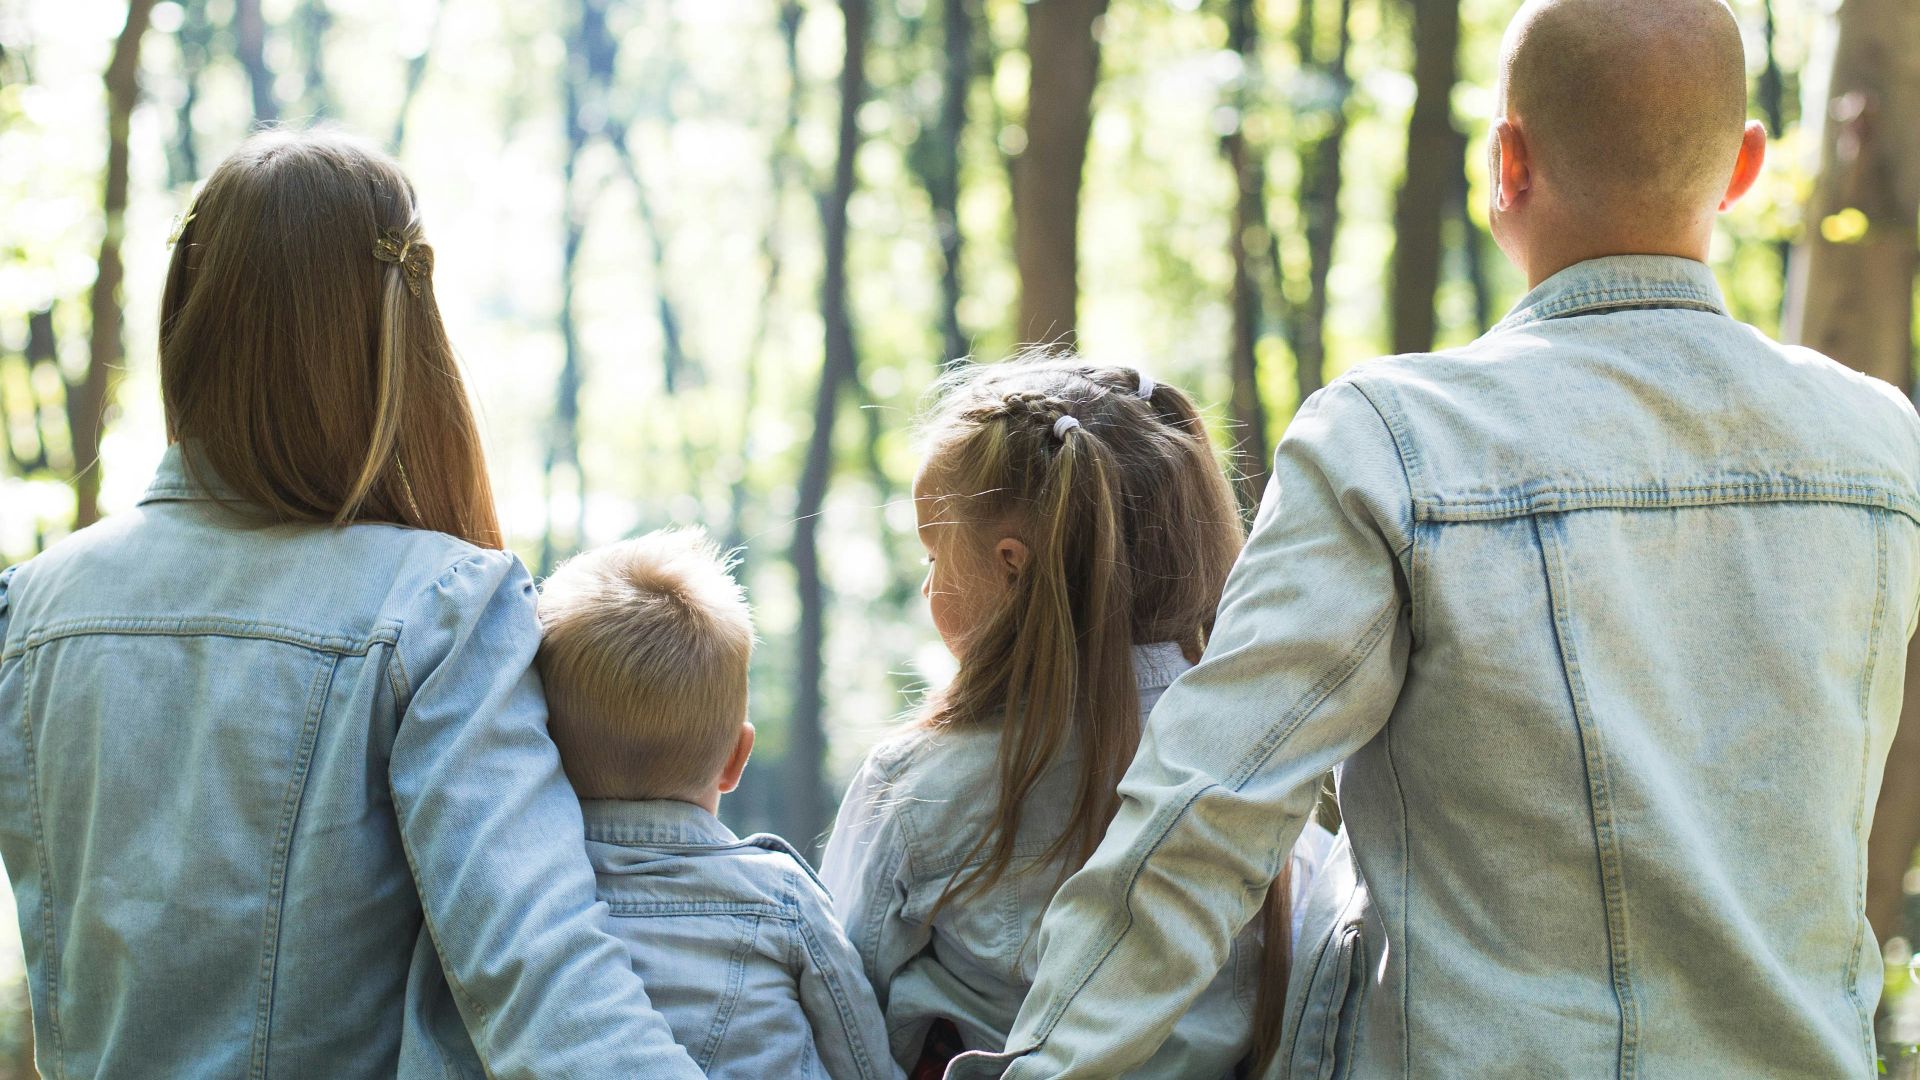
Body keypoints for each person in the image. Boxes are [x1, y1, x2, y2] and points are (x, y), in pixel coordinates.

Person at [945, 1, 1920, 1077]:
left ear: (1507, 162)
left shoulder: (1397, 445)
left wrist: (1045, 1064)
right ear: (1743, 169)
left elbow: (1207, 813)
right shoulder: (1882, 452)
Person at [0, 131, 702, 1077]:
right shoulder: (440, 609)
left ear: (186, 320)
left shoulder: (29, 614)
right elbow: (547, 992)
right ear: (400, 337)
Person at [821, 355, 1336, 1078]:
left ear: (1011, 566)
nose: (928, 586)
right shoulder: (1268, 776)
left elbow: (837, 1012)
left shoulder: (917, 789)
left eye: (933, 556)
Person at [533, 528, 901, 1080]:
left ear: (543, 748)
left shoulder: (525, 898)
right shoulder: (780, 898)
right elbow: (864, 1061)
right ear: (737, 758)